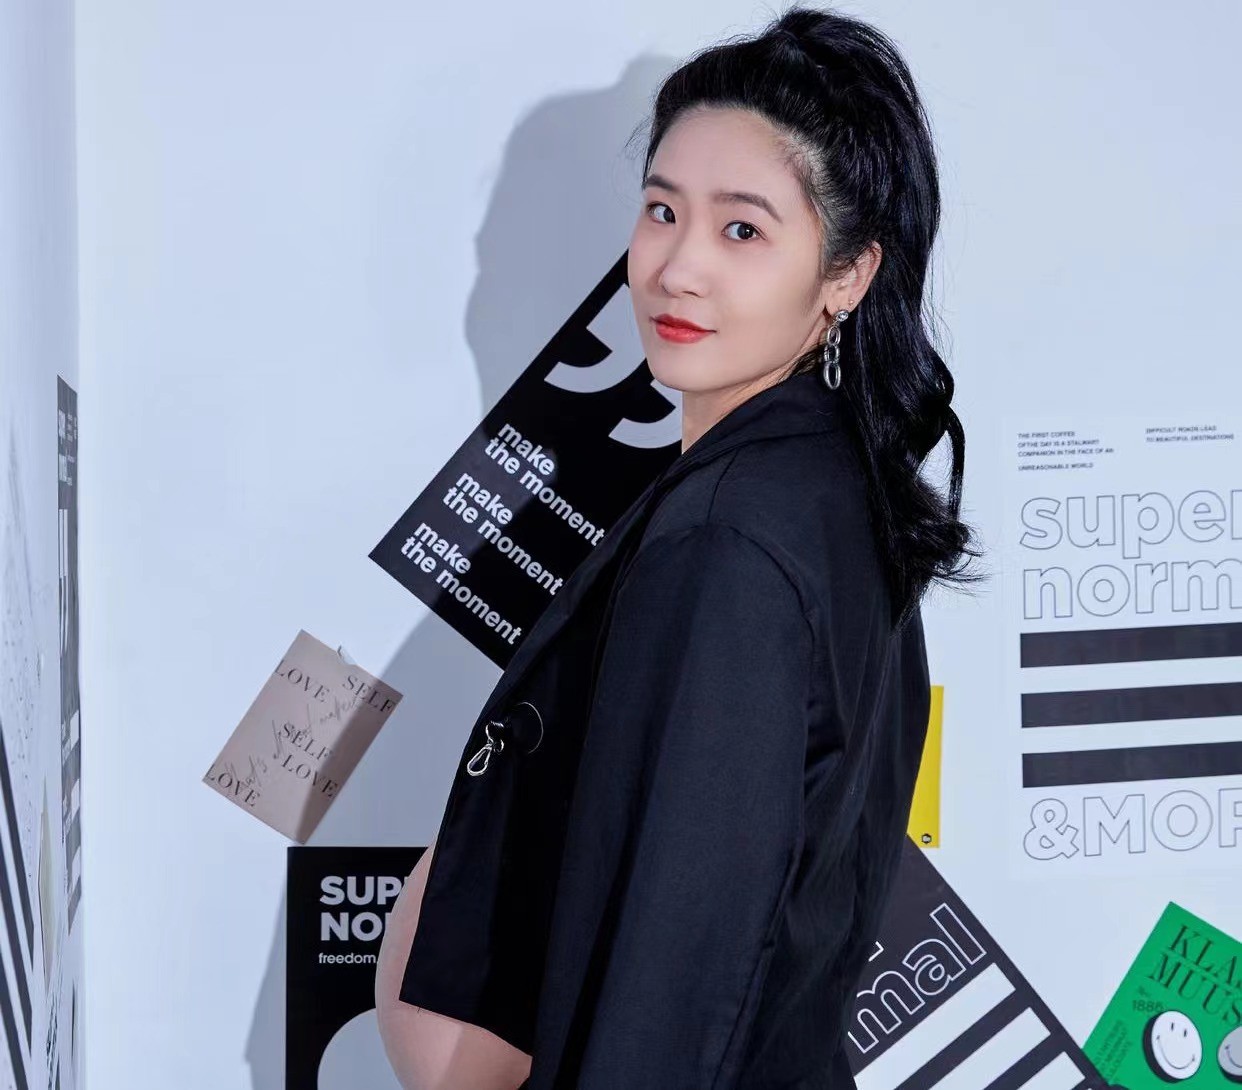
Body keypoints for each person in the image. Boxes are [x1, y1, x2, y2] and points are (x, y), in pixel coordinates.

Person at [375, 5, 983, 1087]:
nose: (677, 267)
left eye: (742, 231)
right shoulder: (821, 487)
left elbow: (677, 977)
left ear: (846, 275)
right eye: (662, 210)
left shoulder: (732, 540)